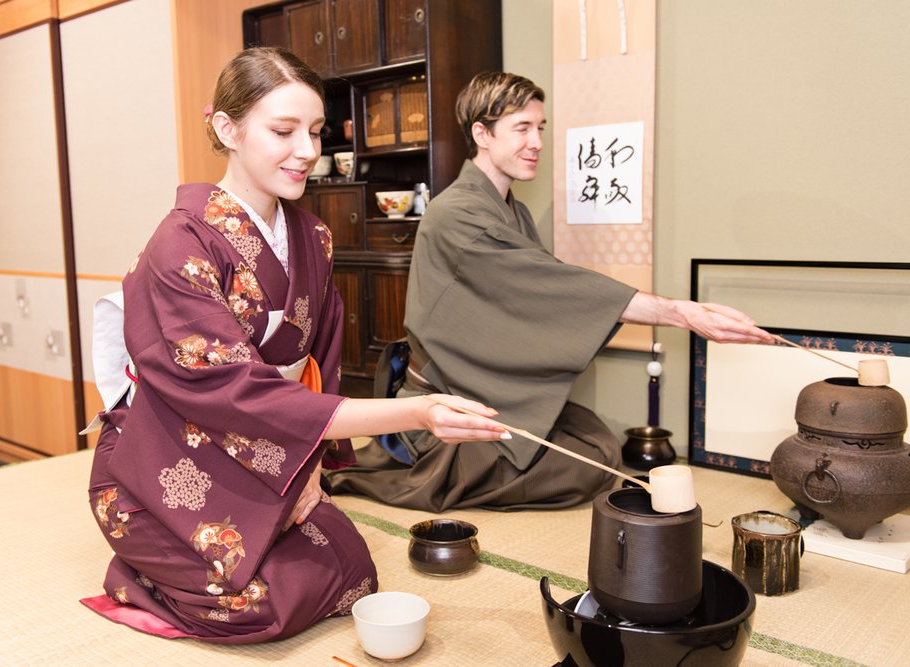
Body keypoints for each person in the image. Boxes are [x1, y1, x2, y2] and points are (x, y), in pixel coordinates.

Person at [82, 47, 507, 644]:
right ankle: (137, 574)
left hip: (266, 445)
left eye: (315, 131)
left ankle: (199, 560)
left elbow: (319, 364)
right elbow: (233, 392)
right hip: (169, 453)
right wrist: (417, 411)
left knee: (351, 572)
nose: (306, 151)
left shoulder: (313, 236)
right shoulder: (179, 245)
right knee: (258, 607)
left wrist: (308, 469)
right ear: (227, 129)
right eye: (283, 131)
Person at [327, 71, 774, 512]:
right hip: (447, 407)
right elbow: (557, 288)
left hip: (481, 389)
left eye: (539, 128)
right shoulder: (456, 214)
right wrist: (681, 312)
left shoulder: (510, 210)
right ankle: (428, 471)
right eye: (521, 128)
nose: (537, 141)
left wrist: (680, 311)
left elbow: (537, 295)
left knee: (596, 440)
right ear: (481, 133)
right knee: (592, 464)